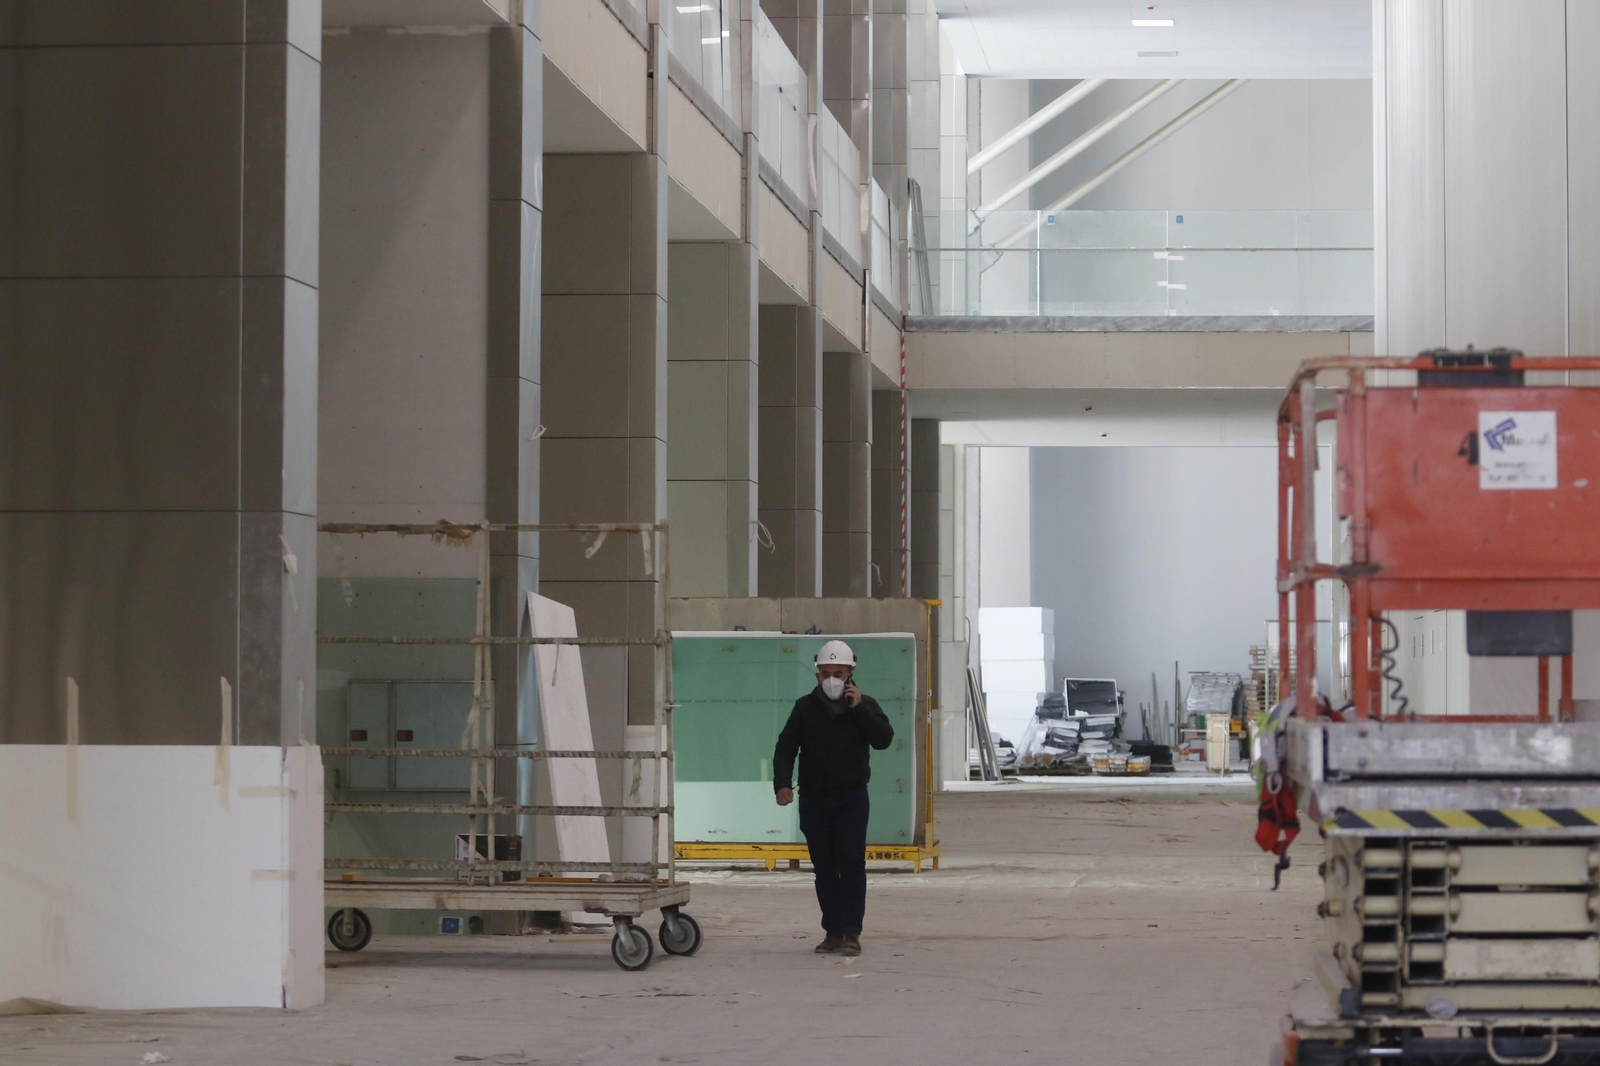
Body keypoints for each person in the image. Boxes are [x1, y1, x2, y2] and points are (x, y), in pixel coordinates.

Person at [773, 640, 894, 957]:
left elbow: (883, 739)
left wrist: (860, 708)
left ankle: (852, 932)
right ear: (817, 675)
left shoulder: (865, 706)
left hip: (852, 799)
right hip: (814, 800)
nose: (831, 680)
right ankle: (833, 932)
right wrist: (782, 784)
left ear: (850, 673)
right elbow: (786, 746)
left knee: (852, 863)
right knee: (824, 867)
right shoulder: (804, 708)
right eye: (825, 673)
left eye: (838, 674)